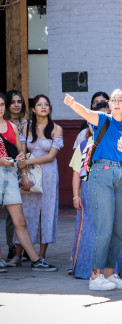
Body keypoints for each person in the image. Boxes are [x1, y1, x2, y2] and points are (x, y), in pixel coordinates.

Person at [64, 89, 122, 291]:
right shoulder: (102, 119)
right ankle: (95, 276)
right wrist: (72, 103)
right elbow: (84, 112)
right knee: (104, 229)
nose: (116, 103)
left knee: (118, 229)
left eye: (120, 100)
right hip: (101, 173)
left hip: (121, 176)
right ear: (109, 104)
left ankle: (110, 274)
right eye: (113, 99)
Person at [0, 92, 57, 272]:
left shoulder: (11, 127)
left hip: (9, 175)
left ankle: (35, 260)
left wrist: (23, 172)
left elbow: (20, 153)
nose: (0, 108)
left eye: (1, 105)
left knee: (20, 221)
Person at [68, 105, 122, 279]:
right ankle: (86, 269)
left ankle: (111, 270)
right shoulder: (84, 145)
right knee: (89, 229)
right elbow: (77, 173)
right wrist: (76, 195)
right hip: (88, 191)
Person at [16, 95, 63, 265]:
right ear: (33, 109)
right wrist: (24, 173)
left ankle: (41, 255)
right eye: (39, 104)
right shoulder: (26, 127)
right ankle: (18, 254)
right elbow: (21, 153)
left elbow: (51, 157)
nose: (43, 107)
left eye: (46, 104)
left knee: (47, 212)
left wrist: (26, 162)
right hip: (29, 174)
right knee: (26, 211)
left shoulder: (56, 129)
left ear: (50, 108)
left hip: (49, 175)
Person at [3, 90, 29, 263]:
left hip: (20, 171)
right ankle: (11, 249)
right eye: (12, 102)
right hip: (6, 171)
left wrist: (24, 170)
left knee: (22, 215)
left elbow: (23, 150)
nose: (16, 105)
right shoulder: (6, 124)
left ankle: (26, 251)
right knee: (11, 217)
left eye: (19, 101)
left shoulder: (24, 124)